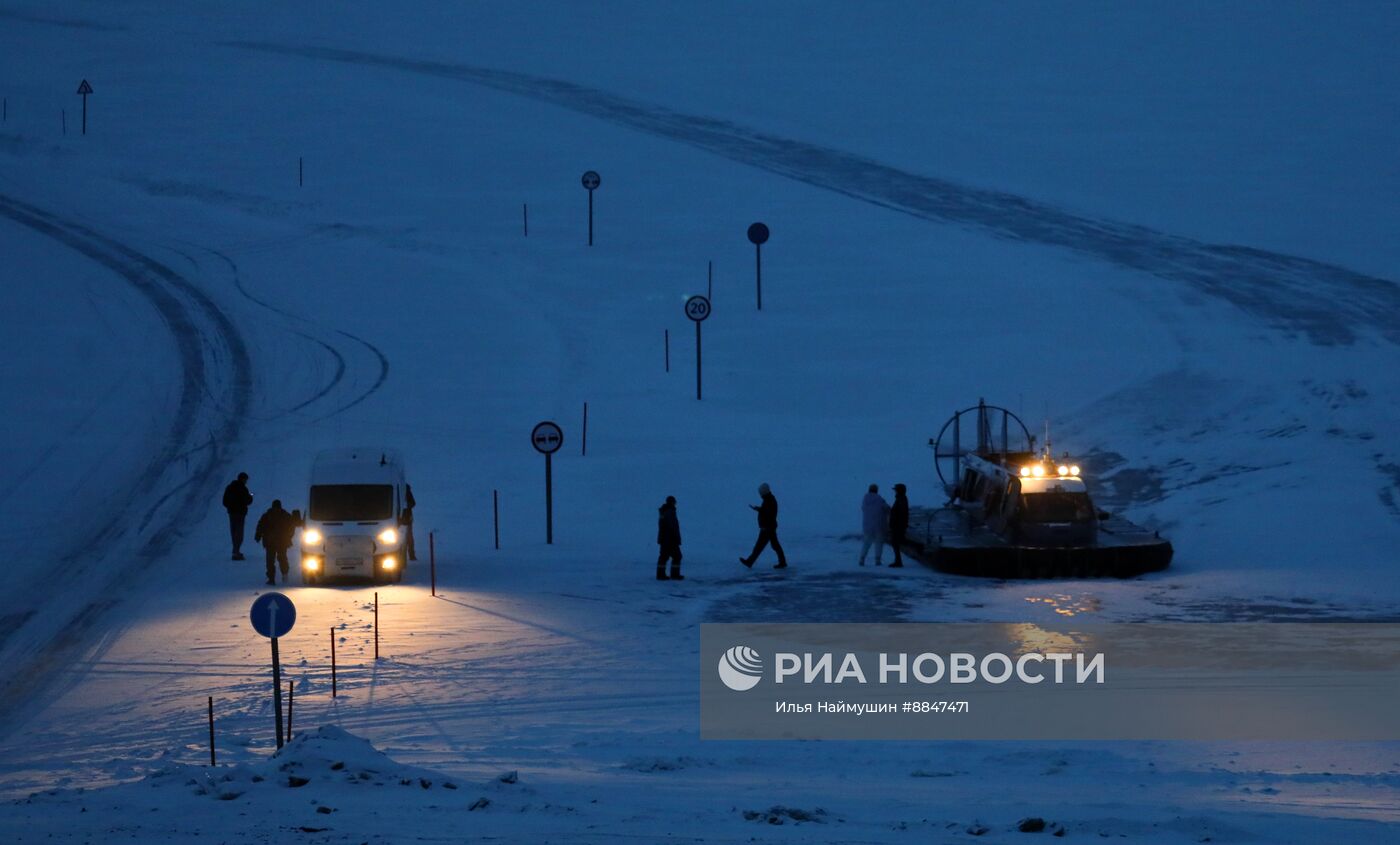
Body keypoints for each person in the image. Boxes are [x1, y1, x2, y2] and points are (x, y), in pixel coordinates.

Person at [740, 483, 787, 569]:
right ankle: (782, 562)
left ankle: (750, 562)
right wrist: (759, 509)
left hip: (768, 528)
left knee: (761, 546)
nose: (760, 495)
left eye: (760, 493)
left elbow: (768, 514)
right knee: (773, 545)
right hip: (768, 527)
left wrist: (761, 512)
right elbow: (767, 511)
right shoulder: (768, 499)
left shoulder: (769, 500)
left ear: (763, 492)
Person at [254, 499, 296, 585]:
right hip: (282, 542)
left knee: (270, 560)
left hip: (270, 542)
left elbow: (260, 526)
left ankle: (271, 578)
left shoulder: (267, 515)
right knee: (282, 558)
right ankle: (284, 575)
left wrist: (258, 535)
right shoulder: (286, 515)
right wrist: (289, 537)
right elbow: (292, 527)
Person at [222, 472, 253, 560]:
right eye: (246, 479)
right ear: (243, 479)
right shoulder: (243, 488)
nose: (246, 481)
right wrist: (250, 497)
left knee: (233, 532)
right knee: (239, 533)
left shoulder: (229, 487)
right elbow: (248, 501)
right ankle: (236, 552)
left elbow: (224, 501)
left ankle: (235, 551)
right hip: (240, 513)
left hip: (231, 513)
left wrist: (230, 506)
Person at [858, 484, 889, 566]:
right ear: (876, 490)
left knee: (866, 543)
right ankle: (877, 560)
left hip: (867, 526)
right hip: (879, 525)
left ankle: (862, 558)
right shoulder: (879, 499)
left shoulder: (865, 499)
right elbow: (887, 508)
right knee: (879, 543)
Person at [656, 496, 683, 581]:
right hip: (669, 539)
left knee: (666, 556)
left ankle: (662, 574)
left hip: (666, 539)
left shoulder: (665, 512)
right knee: (675, 556)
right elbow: (672, 527)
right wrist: (675, 538)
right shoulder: (669, 512)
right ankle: (671, 575)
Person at [888, 483, 909, 568]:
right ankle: (898, 560)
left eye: (896, 490)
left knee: (895, 543)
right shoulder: (900, 499)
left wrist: (899, 526)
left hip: (898, 526)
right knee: (895, 543)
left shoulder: (901, 500)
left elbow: (901, 514)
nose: (894, 491)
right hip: (897, 525)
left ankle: (898, 561)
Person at [400, 484, 417, 561]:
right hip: (398, 518)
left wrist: (405, 506)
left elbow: (413, 503)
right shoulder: (402, 487)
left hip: (406, 518)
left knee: (409, 537)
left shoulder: (406, 489)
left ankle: (411, 555)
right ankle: (403, 556)